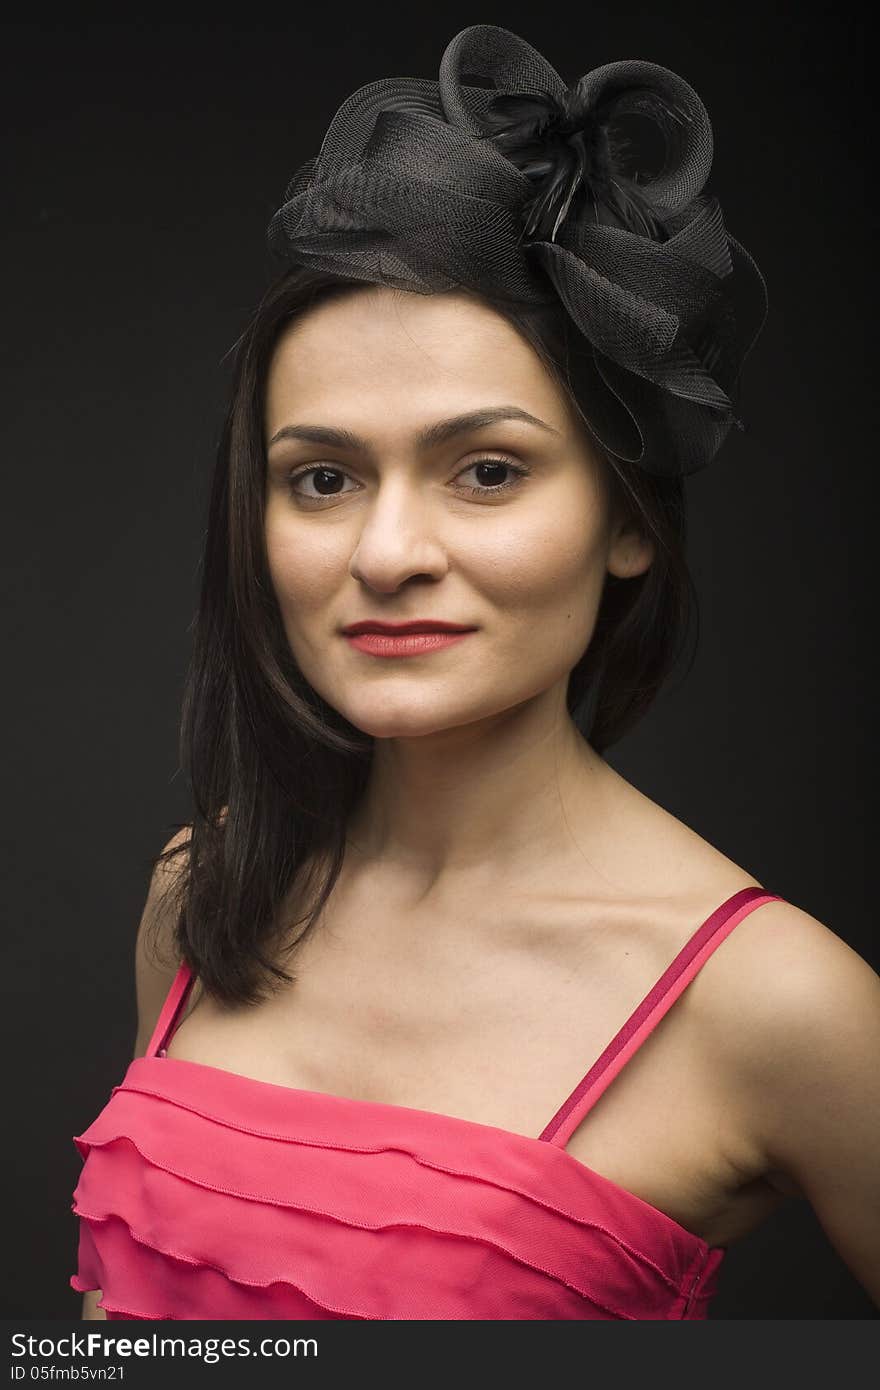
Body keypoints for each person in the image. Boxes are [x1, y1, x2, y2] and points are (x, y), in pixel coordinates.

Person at [71, 24, 879, 1320]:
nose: (388, 552)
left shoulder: (774, 1003)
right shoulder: (202, 891)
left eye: (487, 469)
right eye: (322, 478)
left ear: (628, 522)